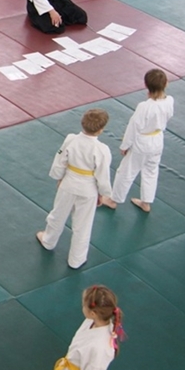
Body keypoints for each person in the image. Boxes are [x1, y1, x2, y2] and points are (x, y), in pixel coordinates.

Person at [36, 108, 111, 269]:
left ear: (82, 123)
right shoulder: (102, 149)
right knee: (83, 225)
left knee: (58, 214)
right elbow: (103, 175)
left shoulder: (71, 139)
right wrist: (102, 193)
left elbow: (60, 160)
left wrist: (59, 176)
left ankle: (48, 241)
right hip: (88, 188)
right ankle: (76, 260)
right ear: (101, 129)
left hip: (68, 183)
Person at [102, 69, 173, 212]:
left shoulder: (144, 106)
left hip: (142, 142)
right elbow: (169, 116)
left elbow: (133, 127)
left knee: (126, 171)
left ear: (146, 85)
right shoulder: (169, 101)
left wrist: (125, 145)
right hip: (158, 139)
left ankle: (113, 200)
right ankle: (146, 202)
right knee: (151, 170)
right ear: (166, 83)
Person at [45, 285, 125, 370]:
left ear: (93, 313)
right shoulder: (91, 321)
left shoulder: (100, 349)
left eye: (83, 305)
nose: (82, 307)